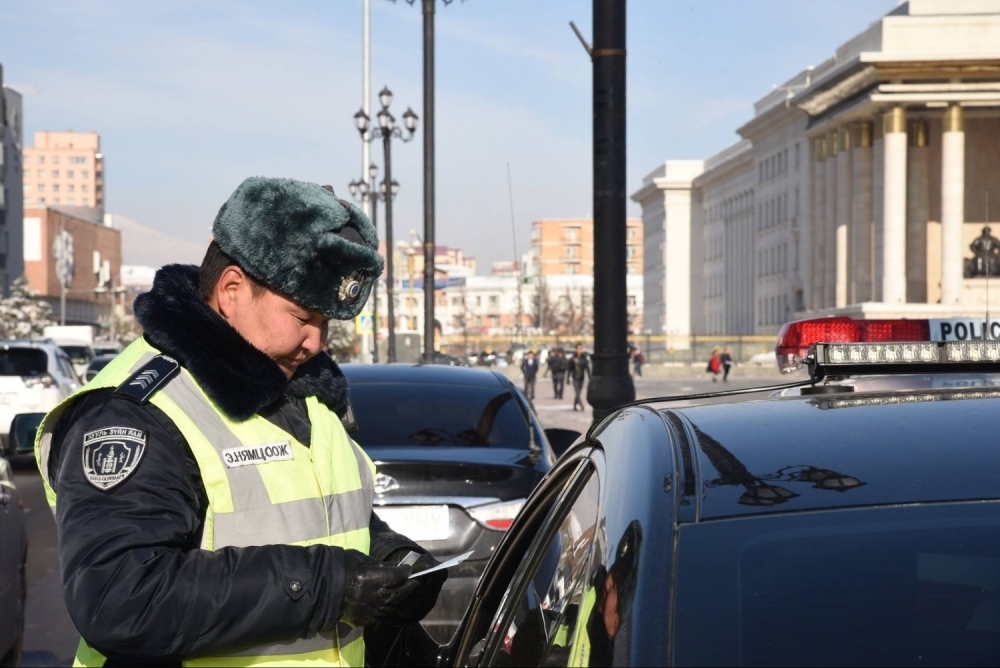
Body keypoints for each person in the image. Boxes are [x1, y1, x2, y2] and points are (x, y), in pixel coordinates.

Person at [33, 177, 446, 666]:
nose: (317, 342)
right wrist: (331, 585)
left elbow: (321, 521)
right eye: (302, 316)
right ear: (231, 291)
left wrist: (388, 559)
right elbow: (121, 598)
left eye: (327, 323)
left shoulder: (305, 392)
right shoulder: (138, 411)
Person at [568, 343, 591, 412]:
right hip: (575, 377)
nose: (579, 350)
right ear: (576, 349)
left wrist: (590, 378)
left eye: (580, 349)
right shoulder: (572, 358)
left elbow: (587, 369)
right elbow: (569, 369)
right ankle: (581, 404)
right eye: (578, 349)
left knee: (579, 392)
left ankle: (574, 405)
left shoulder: (585, 358)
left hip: (581, 377)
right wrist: (567, 378)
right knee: (577, 392)